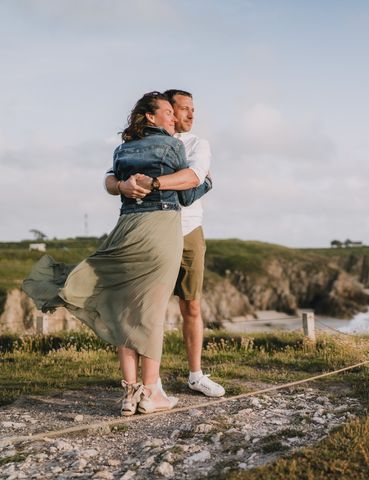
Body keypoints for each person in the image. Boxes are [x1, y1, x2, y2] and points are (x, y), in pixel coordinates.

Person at [23, 91, 212, 415]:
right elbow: (187, 189)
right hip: (161, 230)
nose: (177, 116)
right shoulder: (174, 146)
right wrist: (204, 184)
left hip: (126, 227)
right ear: (151, 116)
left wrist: (124, 186)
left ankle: (130, 393)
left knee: (125, 307)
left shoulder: (123, 149)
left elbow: (111, 180)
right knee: (151, 311)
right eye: (171, 111)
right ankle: (151, 392)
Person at [104, 89, 224, 398]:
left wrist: (154, 183)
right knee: (147, 308)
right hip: (151, 229)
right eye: (181, 109)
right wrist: (123, 185)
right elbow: (109, 180)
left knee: (191, 305)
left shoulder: (198, 144)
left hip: (187, 230)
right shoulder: (136, 145)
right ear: (165, 112)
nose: (189, 114)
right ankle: (150, 384)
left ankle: (195, 375)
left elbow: (192, 179)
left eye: (192, 109)